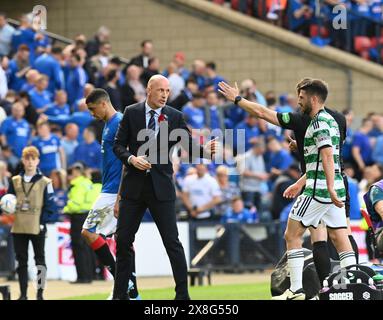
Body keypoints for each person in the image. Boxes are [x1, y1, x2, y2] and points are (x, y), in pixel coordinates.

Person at [219, 78, 356, 300]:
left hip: (318, 189)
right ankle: (350, 288)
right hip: (337, 187)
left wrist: (237, 99)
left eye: (301, 98)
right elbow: (329, 154)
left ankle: (296, 290)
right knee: (341, 237)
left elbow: (327, 155)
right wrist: (302, 149)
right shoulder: (333, 119)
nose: (298, 102)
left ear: (313, 98)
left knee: (292, 234)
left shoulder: (317, 123)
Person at [112, 74, 217, 300]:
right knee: (122, 241)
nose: (165, 95)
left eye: (167, 91)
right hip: (133, 188)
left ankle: (182, 295)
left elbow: (190, 146)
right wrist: (131, 159)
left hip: (161, 188)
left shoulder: (175, 116)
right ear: (149, 90)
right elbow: (118, 145)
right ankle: (120, 295)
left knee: (172, 242)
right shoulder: (131, 112)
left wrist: (206, 151)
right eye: (161, 90)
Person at [81, 88, 140, 299]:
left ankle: (122, 283)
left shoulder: (119, 123)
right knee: (122, 240)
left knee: (89, 232)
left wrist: (120, 196)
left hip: (113, 190)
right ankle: (131, 292)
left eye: (92, 109)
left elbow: (128, 160)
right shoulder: (107, 125)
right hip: (110, 188)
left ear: (103, 104)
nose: (91, 114)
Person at [6, 146, 55, 300]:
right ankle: (23, 294)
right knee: (21, 262)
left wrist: (42, 223)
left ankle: (40, 294)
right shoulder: (14, 180)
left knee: (40, 260)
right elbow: (9, 201)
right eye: (27, 158)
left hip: (37, 225)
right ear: (23, 160)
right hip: (19, 225)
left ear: (38, 161)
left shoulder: (46, 182)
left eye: (33, 158)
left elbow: (50, 206)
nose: (30, 162)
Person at [63, 162, 97, 284]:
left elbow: (75, 204)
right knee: (86, 246)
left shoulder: (77, 184)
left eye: (71, 173)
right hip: (89, 216)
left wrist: (65, 209)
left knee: (78, 247)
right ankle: (89, 275)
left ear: (77, 173)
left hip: (78, 217)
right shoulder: (88, 183)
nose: (70, 175)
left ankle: (82, 277)